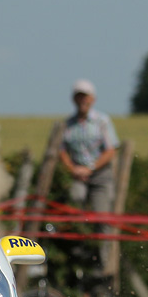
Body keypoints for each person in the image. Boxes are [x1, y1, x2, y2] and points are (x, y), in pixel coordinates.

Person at [57, 79, 119, 271]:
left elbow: (110, 150)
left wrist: (90, 168)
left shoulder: (102, 121)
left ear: (93, 99)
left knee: (102, 217)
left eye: (85, 96)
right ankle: (79, 252)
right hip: (78, 175)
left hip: (100, 175)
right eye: (78, 96)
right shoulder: (67, 124)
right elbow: (61, 151)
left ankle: (103, 261)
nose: (82, 100)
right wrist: (73, 169)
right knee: (75, 204)